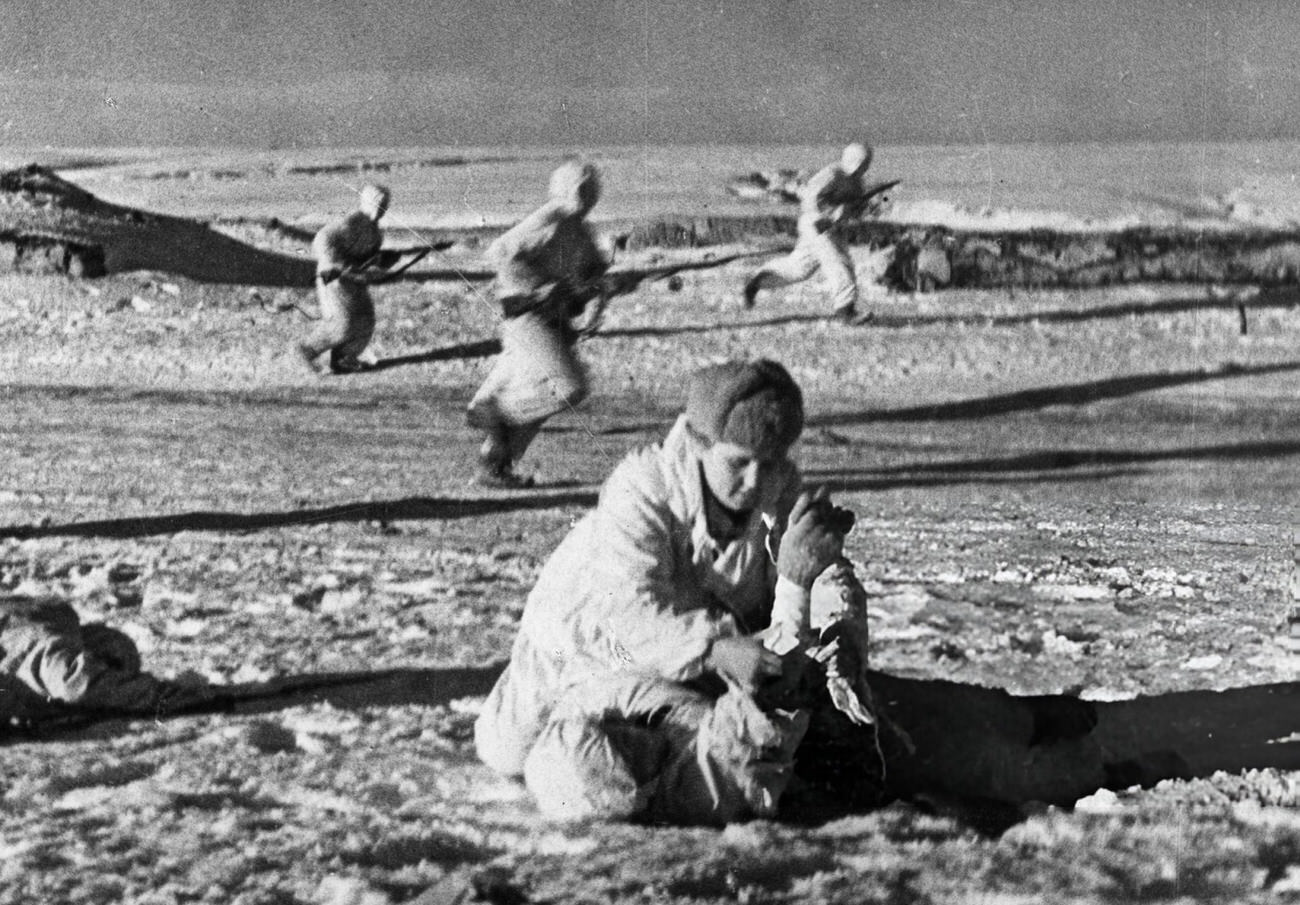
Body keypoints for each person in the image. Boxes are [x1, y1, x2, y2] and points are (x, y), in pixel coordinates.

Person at [474, 359, 874, 824]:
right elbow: (627, 610)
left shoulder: (781, 496)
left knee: (677, 753)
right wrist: (714, 647)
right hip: (575, 648)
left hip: (671, 670)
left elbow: (825, 578)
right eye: (738, 463)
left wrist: (841, 633)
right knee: (506, 751)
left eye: (768, 464)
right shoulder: (644, 489)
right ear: (701, 446)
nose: (753, 482)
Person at [465, 160, 610, 488]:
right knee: (567, 388)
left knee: (539, 398)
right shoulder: (550, 220)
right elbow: (501, 252)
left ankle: (494, 467)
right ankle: (496, 412)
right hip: (528, 317)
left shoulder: (580, 231)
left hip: (549, 321)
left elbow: (588, 276)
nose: (585, 194)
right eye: (580, 187)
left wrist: (596, 288)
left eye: (589, 188)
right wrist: (539, 288)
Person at [0, 593, 201, 725]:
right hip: (25, 630)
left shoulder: (37, 658)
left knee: (71, 682)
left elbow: (73, 681)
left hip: (19, 632)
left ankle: (167, 694)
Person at [742, 142, 883, 323]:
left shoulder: (857, 182)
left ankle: (756, 281)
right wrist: (832, 212)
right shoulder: (831, 174)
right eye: (864, 162)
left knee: (799, 268)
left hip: (832, 227)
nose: (866, 167)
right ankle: (845, 310)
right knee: (839, 263)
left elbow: (853, 208)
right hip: (817, 225)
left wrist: (855, 210)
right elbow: (810, 199)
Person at [296, 184, 393, 375]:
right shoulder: (349, 223)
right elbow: (322, 240)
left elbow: (369, 258)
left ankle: (344, 358)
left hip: (355, 280)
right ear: (366, 202)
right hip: (334, 279)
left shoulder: (376, 233)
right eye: (377, 203)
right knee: (343, 321)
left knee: (365, 320)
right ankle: (307, 350)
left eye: (384, 204)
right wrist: (341, 265)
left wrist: (379, 266)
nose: (380, 208)